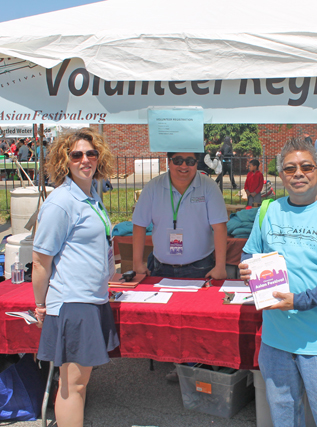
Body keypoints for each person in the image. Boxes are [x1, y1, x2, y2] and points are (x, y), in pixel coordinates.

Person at [239, 138, 317, 427]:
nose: (298, 174)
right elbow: (249, 253)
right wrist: (246, 269)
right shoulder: (268, 212)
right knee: (284, 418)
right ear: (281, 175)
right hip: (276, 340)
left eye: (306, 167)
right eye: (290, 168)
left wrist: (300, 301)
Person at [32, 128, 119, 427]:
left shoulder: (91, 196)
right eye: (77, 155)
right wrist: (40, 304)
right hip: (72, 303)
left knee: (79, 383)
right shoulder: (60, 202)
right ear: (64, 160)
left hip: (91, 299)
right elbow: (40, 261)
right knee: (73, 386)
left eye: (91, 153)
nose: (85, 160)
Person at [132, 151, 229, 380]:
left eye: (190, 161)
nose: (183, 166)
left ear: (197, 163)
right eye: (178, 160)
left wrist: (221, 266)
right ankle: (174, 358)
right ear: (168, 162)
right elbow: (138, 225)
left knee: (195, 320)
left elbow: (220, 227)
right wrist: (137, 262)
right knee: (165, 319)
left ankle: (191, 364)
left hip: (199, 266)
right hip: (161, 267)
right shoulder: (154, 187)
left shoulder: (208, 187)